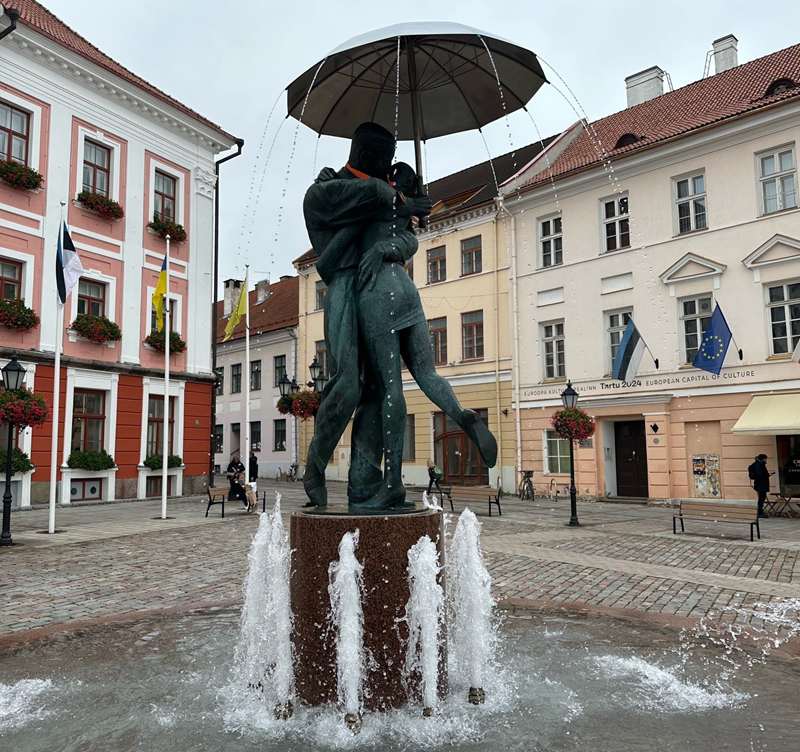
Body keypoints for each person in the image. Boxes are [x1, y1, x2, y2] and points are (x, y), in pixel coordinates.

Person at [301, 122, 431, 507]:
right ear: (368, 155)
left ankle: (363, 477)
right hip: (343, 286)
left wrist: (406, 217)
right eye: (385, 158)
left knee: (379, 388)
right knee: (348, 384)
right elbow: (366, 196)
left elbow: (401, 237)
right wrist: (400, 201)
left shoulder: (384, 195)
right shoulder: (327, 190)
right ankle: (314, 465)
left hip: (378, 291)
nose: (388, 167)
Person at [747, 454, 772, 518]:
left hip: (760, 484)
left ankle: (760, 512)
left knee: (761, 498)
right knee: (761, 498)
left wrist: (766, 475)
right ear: (763, 459)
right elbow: (759, 474)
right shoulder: (759, 464)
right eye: (766, 459)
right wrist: (766, 475)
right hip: (761, 485)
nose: (766, 460)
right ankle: (760, 513)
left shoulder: (759, 464)